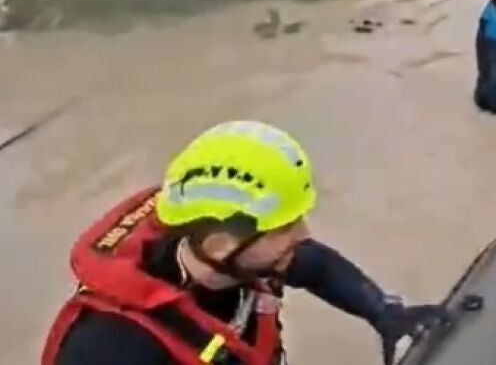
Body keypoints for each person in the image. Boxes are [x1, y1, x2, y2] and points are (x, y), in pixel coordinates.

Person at [43, 120, 451, 365]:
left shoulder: (245, 258)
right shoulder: (109, 350)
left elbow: (318, 268)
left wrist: (384, 314)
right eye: (283, 228)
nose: (304, 235)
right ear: (222, 244)